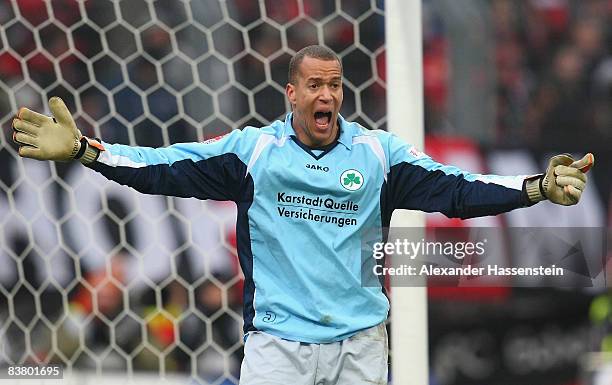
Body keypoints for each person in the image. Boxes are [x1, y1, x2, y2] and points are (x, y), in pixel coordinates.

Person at [11, 45, 593, 385]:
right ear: (291, 93)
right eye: (315, 85)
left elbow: (460, 191)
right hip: (279, 348)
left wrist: (536, 187)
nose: (327, 96)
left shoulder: (377, 157)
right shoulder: (253, 155)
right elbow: (164, 166)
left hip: (359, 345)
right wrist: (90, 151)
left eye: (335, 86)